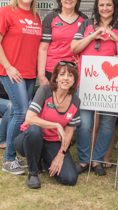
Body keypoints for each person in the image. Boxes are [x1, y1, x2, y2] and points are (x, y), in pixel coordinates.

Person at [71, 0, 118, 176]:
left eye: (109, 5)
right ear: (97, 6)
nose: (105, 8)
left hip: (110, 84)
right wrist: (92, 36)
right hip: (86, 81)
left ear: (115, 7)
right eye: (102, 4)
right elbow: (74, 48)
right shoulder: (86, 24)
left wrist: (116, 39)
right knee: (84, 123)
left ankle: (97, 161)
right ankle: (83, 161)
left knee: (106, 124)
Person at [0, 0, 42, 175]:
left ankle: (14, 156)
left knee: (17, 113)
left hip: (29, 73)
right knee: (21, 112)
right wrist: (9, 67)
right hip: (11, 72)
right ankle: (9, 159)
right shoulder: (5, 12)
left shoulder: (36, 16)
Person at [14, 61, 81, 189]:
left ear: (74, 80)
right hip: (28, 138)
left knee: (70, 178)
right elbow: (29, 119)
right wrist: (56, 125)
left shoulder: (76, 101)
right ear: (56, 78)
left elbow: (69, 132)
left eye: (70, 75)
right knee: (34, 130)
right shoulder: (45, 90)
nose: (66, 78)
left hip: (52, 142)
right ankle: (33, 173)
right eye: (62, 74)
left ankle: (45, 162)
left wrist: (61, 154)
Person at [38, 0, 87, 85]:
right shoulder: (51, 17)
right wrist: (41, 75)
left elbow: (86, 46)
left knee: (70, 101)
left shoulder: (84, 20)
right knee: (51, 101)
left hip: (74, 72)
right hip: (52, 70)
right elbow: (43, 48)